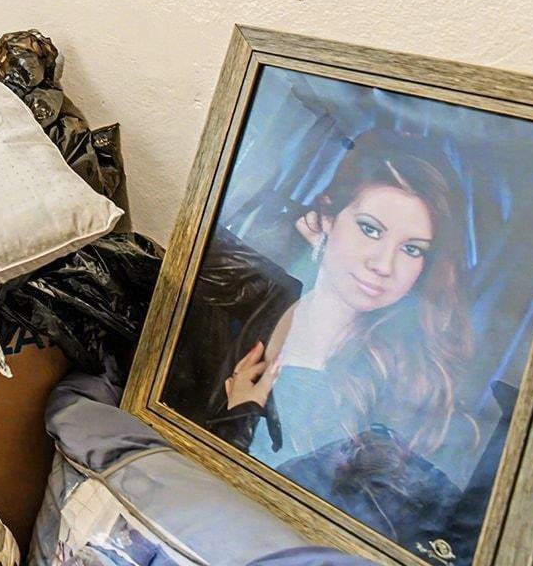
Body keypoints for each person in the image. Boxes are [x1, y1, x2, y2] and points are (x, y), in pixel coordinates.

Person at [164, 132, 475, 475]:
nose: (384, 265)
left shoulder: (396, 386)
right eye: (370, 230)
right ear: (327, 217)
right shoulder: (263, 291)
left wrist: (236, 419)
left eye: (412, 249)